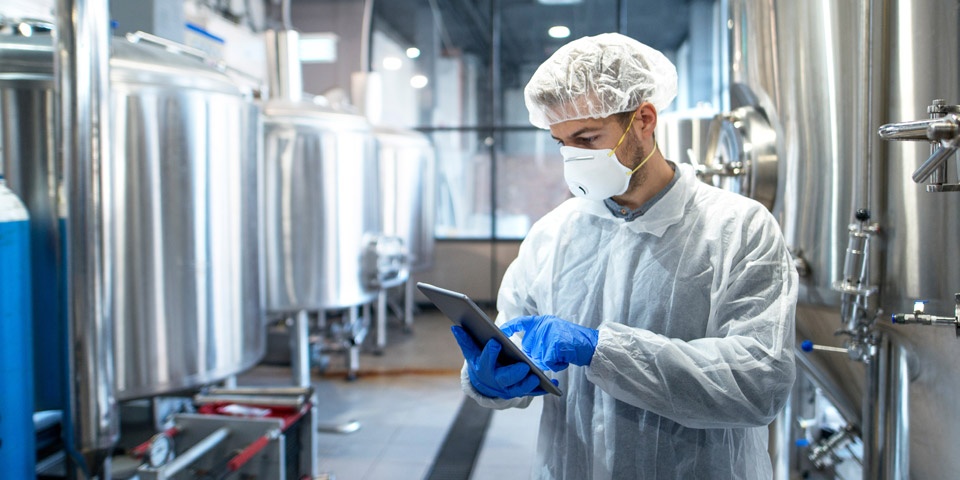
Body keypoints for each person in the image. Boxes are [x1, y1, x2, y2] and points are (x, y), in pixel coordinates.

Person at [450, 33, 797, 479]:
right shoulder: (552, 235)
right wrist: (492, 377)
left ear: (644, 120)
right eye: (562, 143)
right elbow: (518, 345)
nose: (574, 159)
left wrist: (602, 350)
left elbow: (758, 382)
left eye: (588, 137)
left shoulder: (739, 228)